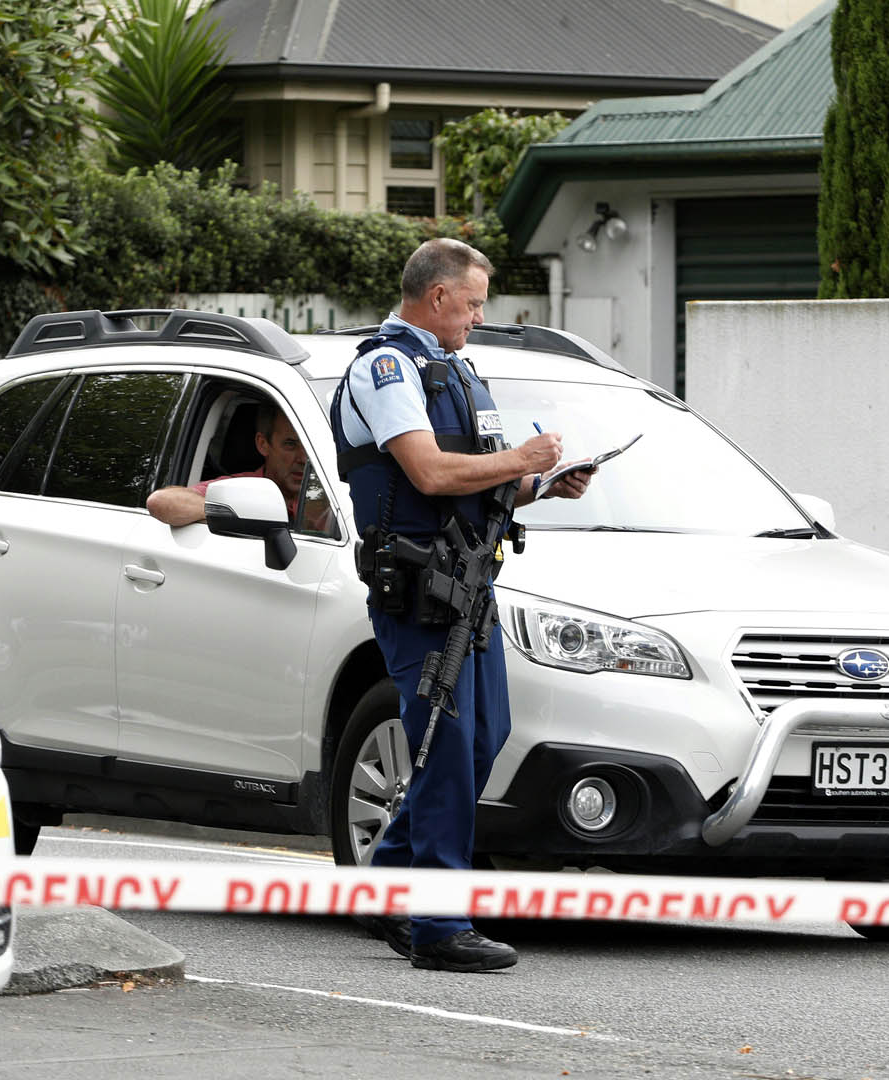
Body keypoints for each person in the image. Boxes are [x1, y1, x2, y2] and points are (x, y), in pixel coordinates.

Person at [332, 237, 589, 973]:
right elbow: (430, 473)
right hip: (418, 589)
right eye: (472, 304)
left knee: (481, 739)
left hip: (469, 584)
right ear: (437, 295)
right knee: (444, 746)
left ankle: (387, 888)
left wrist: (543, 483)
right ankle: (441, 925)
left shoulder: (457, 370)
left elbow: (481, 478)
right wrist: (521, 461)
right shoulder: (386, 368)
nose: (479, 317)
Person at [146, 403, 323, 529]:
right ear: (263, 444)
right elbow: (161, 501)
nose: (304, 459)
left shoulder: (331, 492)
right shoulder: (240, 488)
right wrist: (237, 512)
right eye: (290, 444)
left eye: (311, 447)